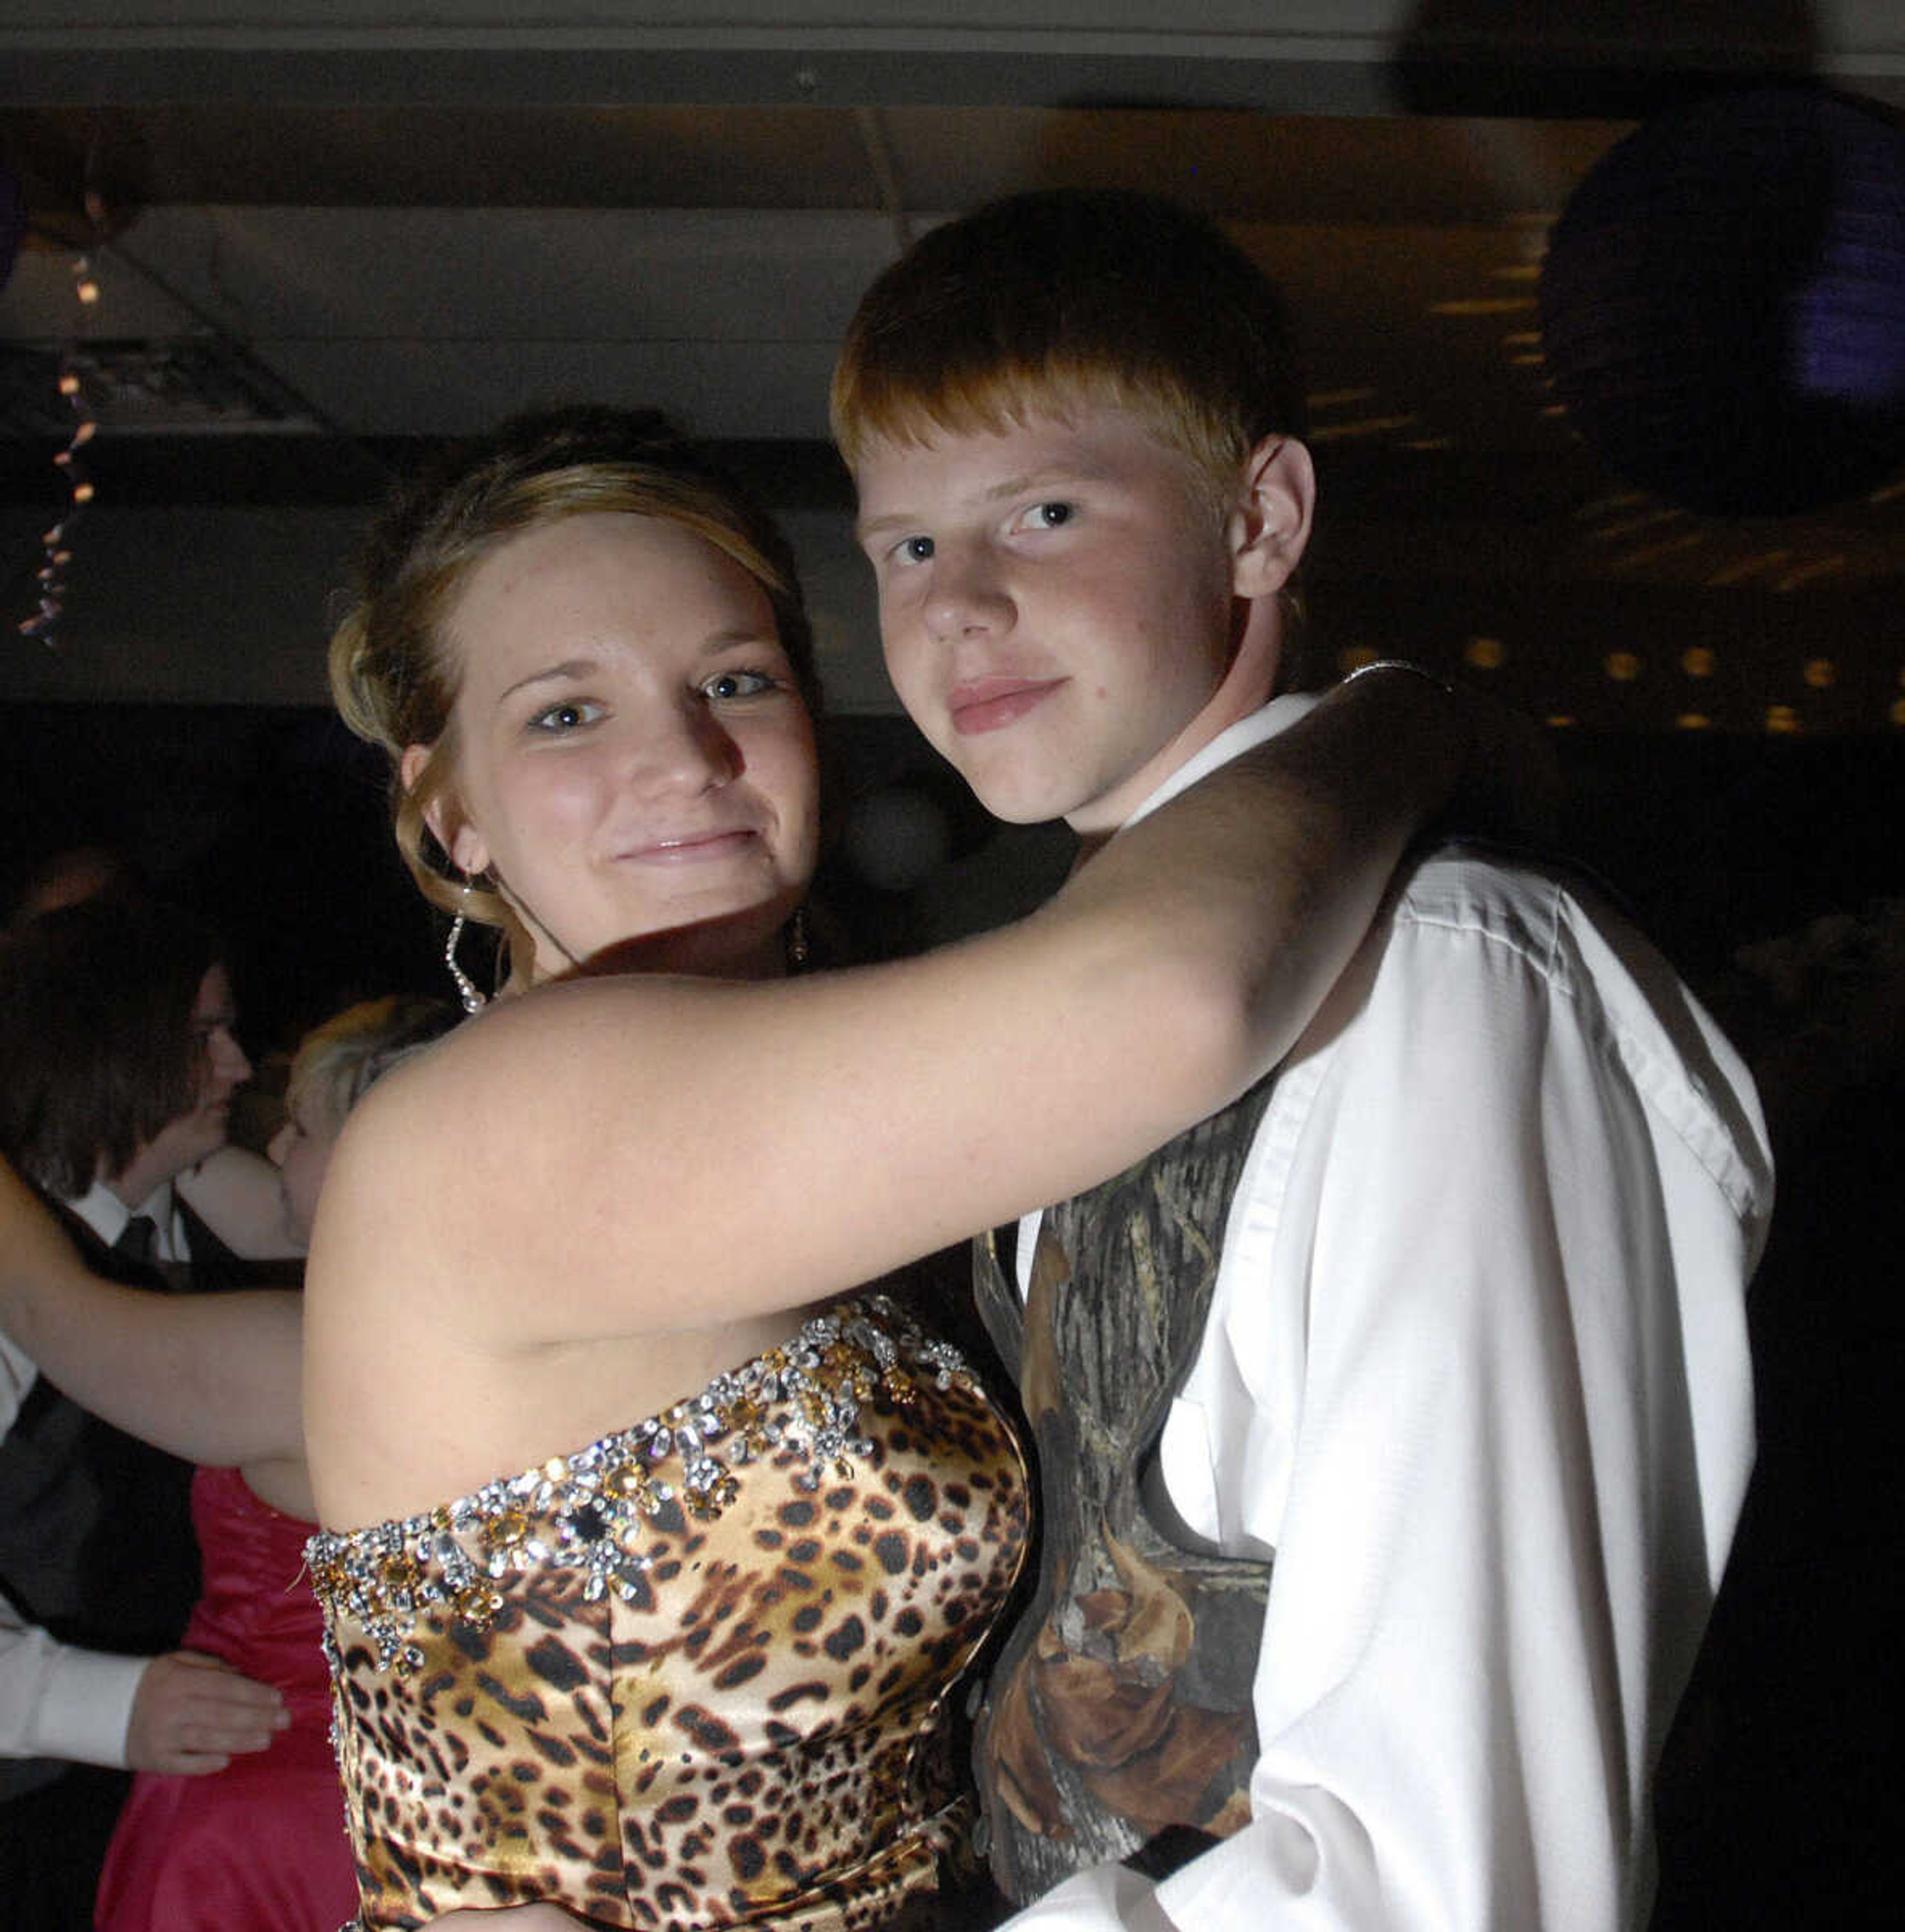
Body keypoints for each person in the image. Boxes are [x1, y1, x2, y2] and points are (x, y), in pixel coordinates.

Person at [295, 406, 1476, 1929]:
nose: (688, 756)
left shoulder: (767, 1091)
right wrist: (1408, 713)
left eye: (735, 681)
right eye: (566, 715)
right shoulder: (489, 1127)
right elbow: (1171, 996)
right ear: (447, 811)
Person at [821, 187, 1775, 1929]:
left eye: (1041, 511)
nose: (958, 605)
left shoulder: (1441, 989)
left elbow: (1448, 1877)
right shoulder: (1073, 1002)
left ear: (1259, 518)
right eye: (906, 545)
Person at [0, 995, 454, 1930]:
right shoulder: (481, 1332)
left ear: (387, 1155)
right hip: (413, 1793)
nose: (274, 1146)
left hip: (267, 1802)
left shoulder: (303, 1354)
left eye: (300, 1127)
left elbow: (55, 1310)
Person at [0, 896, 289, 1928]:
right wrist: (98, 1705)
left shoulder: (200, 1219)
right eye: (205, 1035)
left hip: (190, 1789)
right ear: (107, 1042)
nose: (240, 1067)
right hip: (34, 1816)